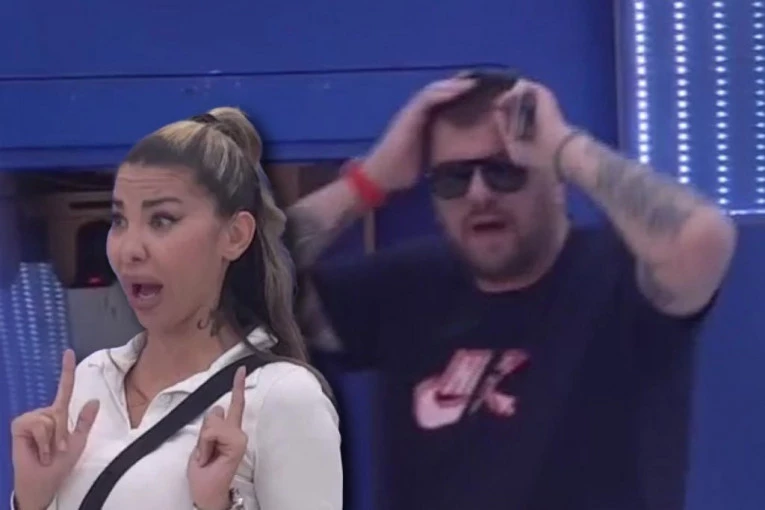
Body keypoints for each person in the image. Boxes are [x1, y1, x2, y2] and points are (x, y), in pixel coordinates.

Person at [286, 71, 736, 510]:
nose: (479, 193)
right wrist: (370, 180)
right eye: (453, 178)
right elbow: (244, 277)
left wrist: (563, 146)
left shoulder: (618, 277)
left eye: (504, 170)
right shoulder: (406, 287)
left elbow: (701, 239)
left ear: (556, 181)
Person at [10, 108, 343, 510]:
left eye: (162, 220)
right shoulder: (91, 379)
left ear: (235, 236)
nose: (129, 250)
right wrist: (32, 501)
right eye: (119, 220)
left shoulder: (282, 398)